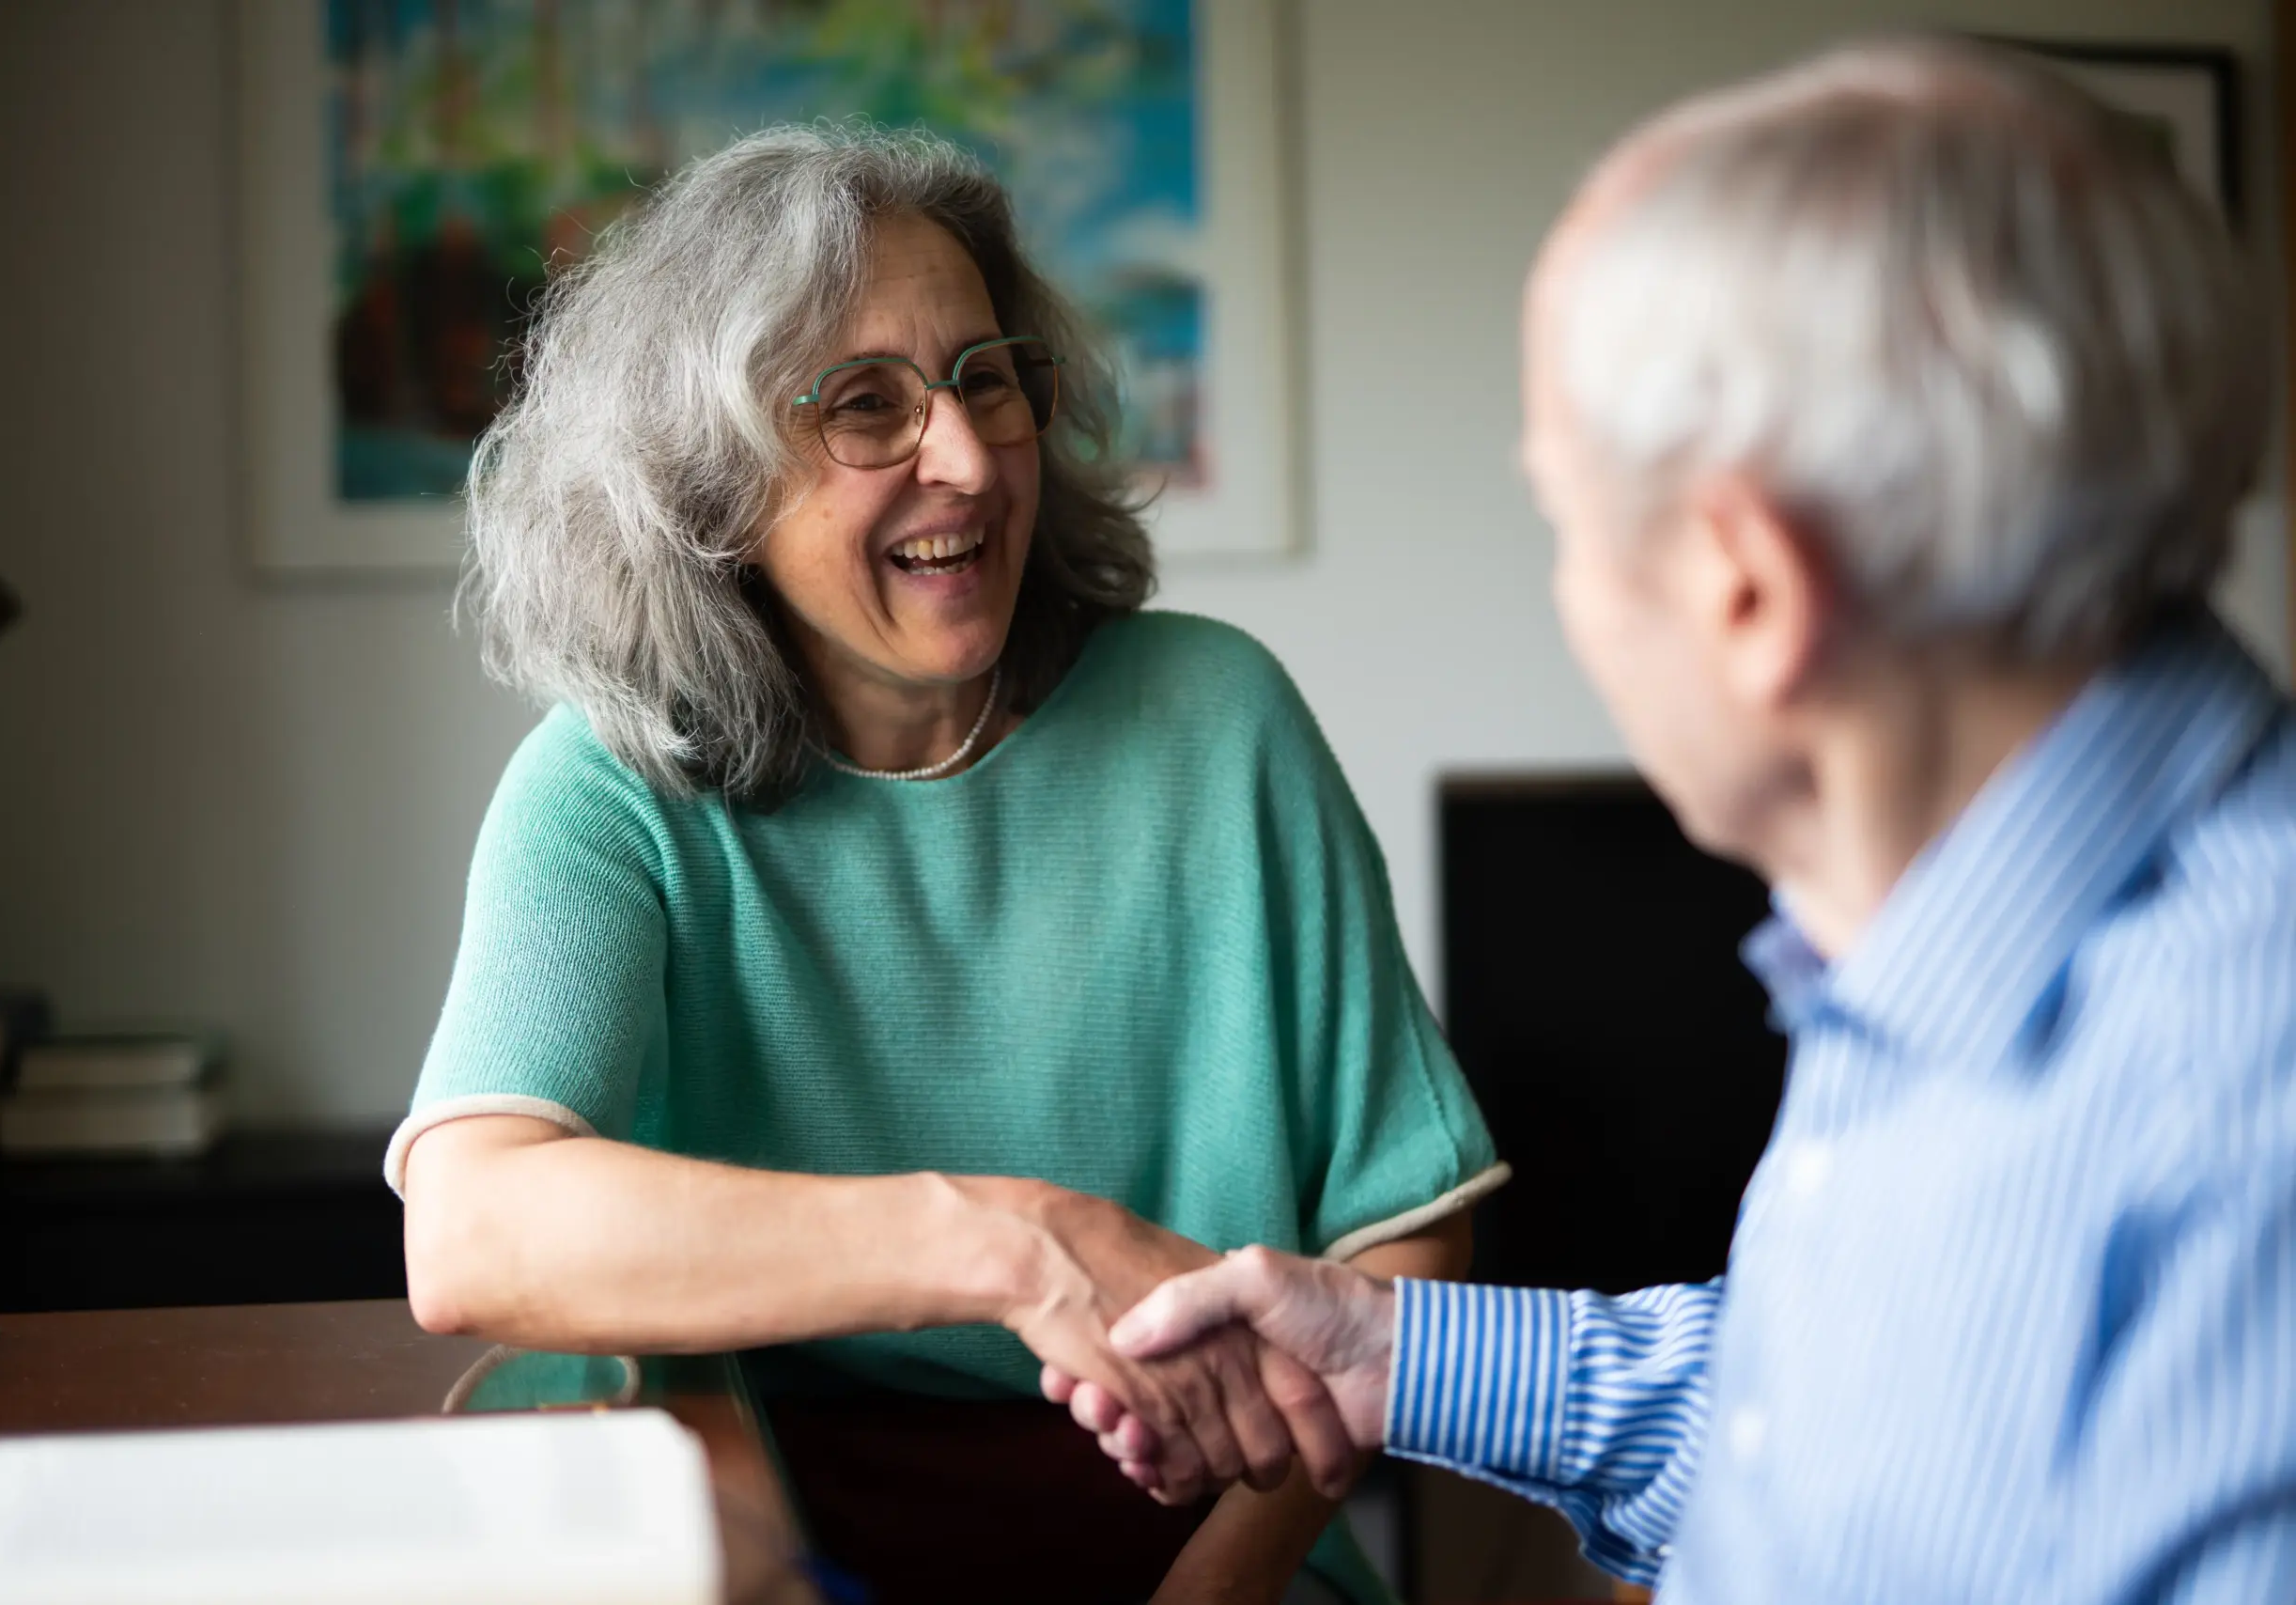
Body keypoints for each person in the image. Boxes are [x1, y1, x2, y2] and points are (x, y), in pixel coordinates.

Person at [1048, 36, 2296, 1603]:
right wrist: (1393, 1356)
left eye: (1563, 523)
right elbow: (1906, 1423)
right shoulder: (1941, 949)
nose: (1566, 586)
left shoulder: (2242, 1121)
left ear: (1745, 588)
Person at [389, 124, 1502, 1605]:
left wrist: (1218, 1587)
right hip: (775, 1552)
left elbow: (1410, 1238)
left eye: (988, 379)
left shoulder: (1218, 722)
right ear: (706, 481)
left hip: (1210, 1553)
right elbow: (471, 1232)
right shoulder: (612, 787)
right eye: (865, 406)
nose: (969, 460)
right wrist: (1008, 1242)